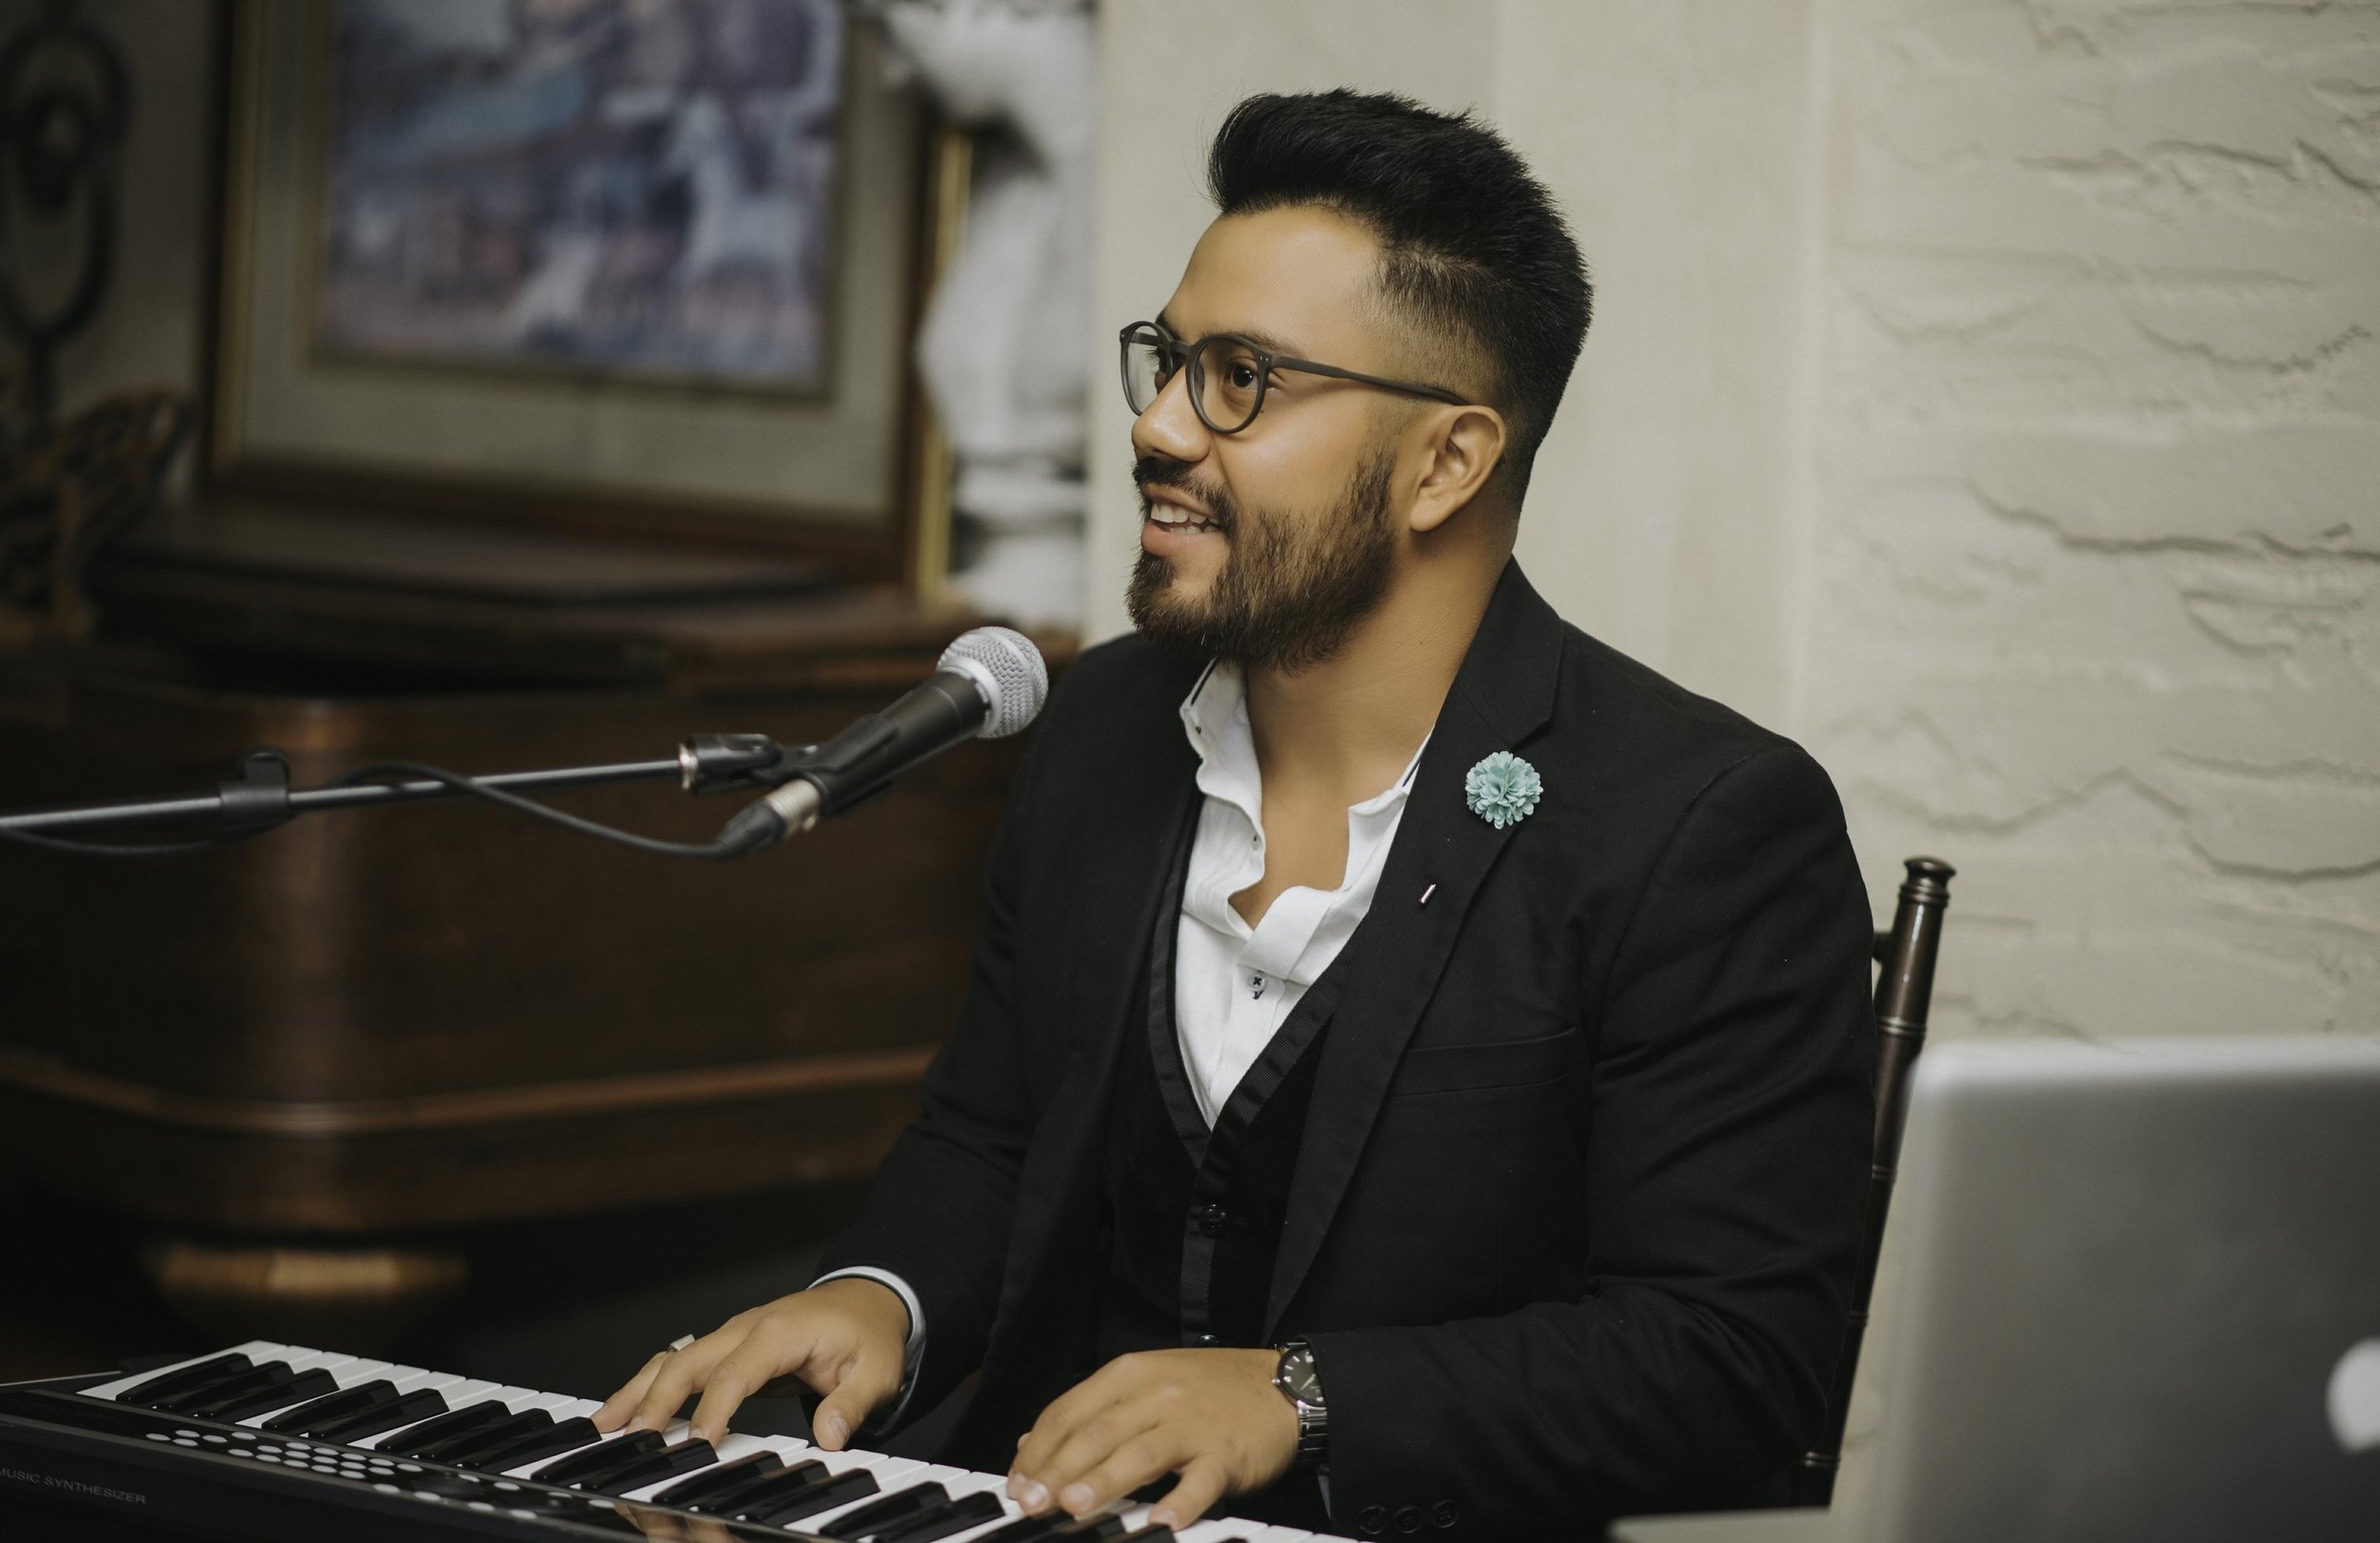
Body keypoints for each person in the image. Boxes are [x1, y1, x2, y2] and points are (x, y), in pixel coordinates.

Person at [597, 89, 1874, 1541]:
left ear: (1446, 462)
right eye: (1168, 360)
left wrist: (1305, 1396)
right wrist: (874, 1295)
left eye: (1241, 377)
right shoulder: (1099, 729)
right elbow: (992, 1137)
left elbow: (1732, 1360)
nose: (1156, 423)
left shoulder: (1701, 824)